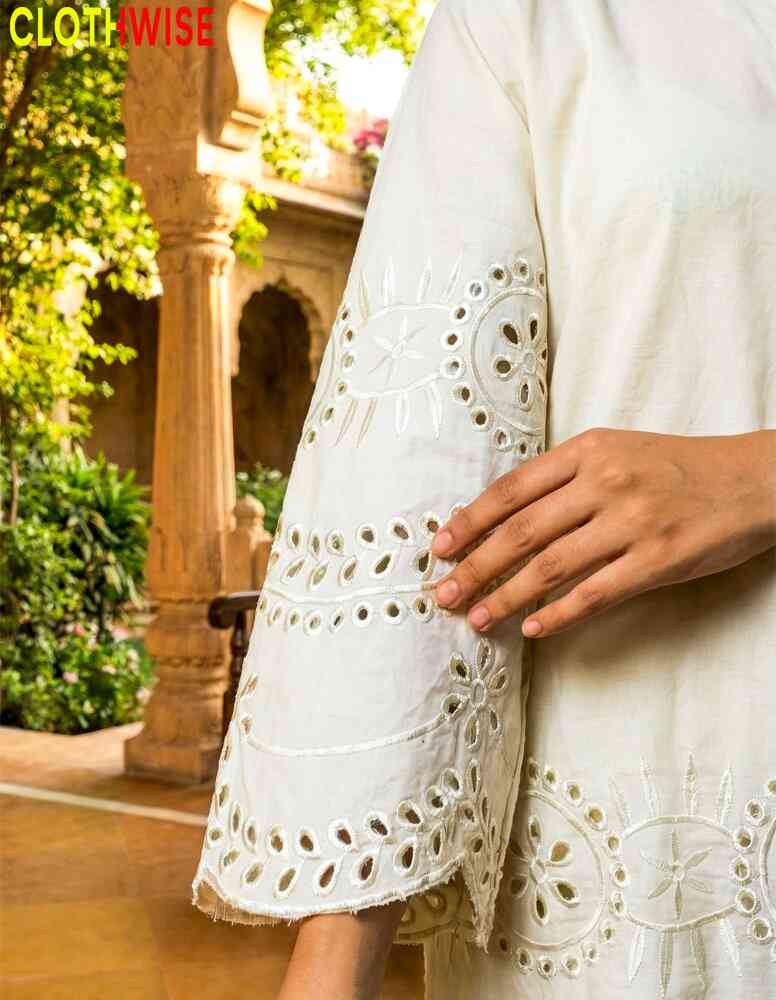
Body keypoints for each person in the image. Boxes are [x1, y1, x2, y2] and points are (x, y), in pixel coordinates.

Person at [191, 0, 776, 996]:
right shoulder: (525, 22)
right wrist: (334, 962)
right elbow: (426, 482)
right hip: (629, 839)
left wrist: (755, 477)